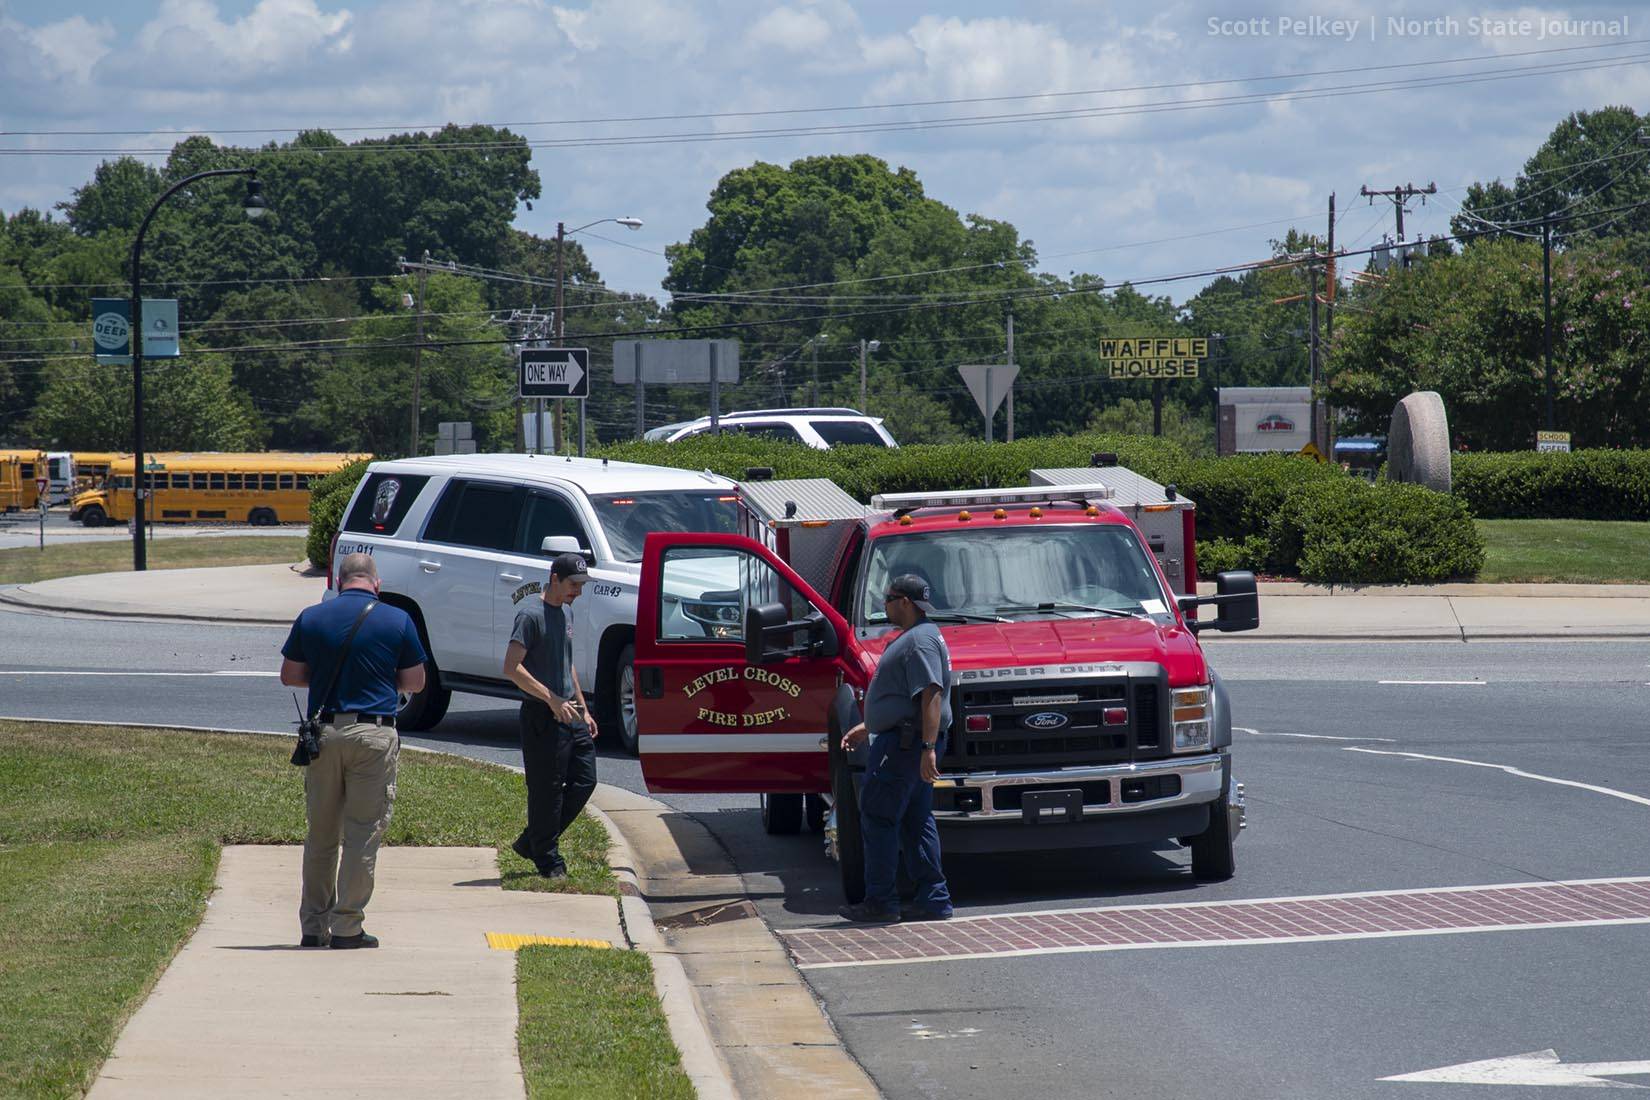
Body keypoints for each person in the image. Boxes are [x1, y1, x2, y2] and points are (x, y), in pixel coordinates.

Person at [279, 552, 427, 949]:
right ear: (375, 583)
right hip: (374, 736)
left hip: (323, 734)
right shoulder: (397, 619)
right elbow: (415, 682)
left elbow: (291, 675)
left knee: (321, 834)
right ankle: (347, 928)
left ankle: (313, 926)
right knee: (362, 834)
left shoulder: (312, 617)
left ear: (339, 581)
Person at [838, 573, 954, 924]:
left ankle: (881, 902)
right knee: (916, 818)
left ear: (905, 602)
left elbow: (931, 695)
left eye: (888, 598)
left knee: (877, 815)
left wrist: (927, 747)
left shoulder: (919, 642)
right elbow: (905, 698)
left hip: (906, 744)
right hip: (906, 739)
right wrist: (869, 725)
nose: (884, 605)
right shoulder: (919, 637)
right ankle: (933, 900)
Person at [504, 552, 599, 878]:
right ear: (555, 578)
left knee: (586, 780)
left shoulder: (567, 614)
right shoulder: (530, 615)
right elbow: (511, 667)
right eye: (574, 584)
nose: (578, 591)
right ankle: (548, 860)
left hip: (570, 712)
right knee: (548, 789)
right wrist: (552, 700)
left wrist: (582, 708)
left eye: (582, 585)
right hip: (541, 715)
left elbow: (566, 662)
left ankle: (533, 841)